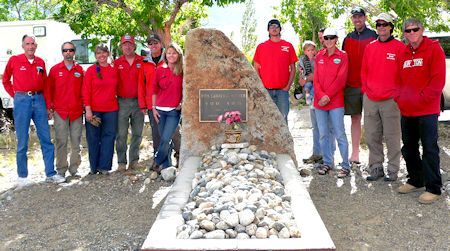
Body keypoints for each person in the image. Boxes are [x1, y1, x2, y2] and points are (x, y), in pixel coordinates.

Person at [2, 35, 66, 186]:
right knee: (23, 140)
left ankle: (50, 173)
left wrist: (48, 106)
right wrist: (16, 95)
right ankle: (22, 177)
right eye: (28, 44)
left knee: (46, 138)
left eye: (33, 44)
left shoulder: (40, 62)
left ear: (36, 46)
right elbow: (5, 80)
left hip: (39, 100)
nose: (31, 46)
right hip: (22, 101)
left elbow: (45, 86)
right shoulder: (15, 60)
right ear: (23, 46)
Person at [396, 18, 446, 204]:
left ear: (422, 30)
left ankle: (434, 188)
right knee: (409, 148)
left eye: (414, 29)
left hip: (426, 110)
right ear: (404, 33)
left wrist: (421, 99)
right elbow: (397, 80)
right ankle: (416, 180)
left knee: (429, 148)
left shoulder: (434, 48)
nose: (411, 33)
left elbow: (437, 80)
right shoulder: (403, 53)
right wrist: (399, 99)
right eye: (407, 31)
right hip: (407, 110)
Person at [361, 13, 406, 182]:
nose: (381, 27)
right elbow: (364, 71)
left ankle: (393, 170)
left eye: (384, 24)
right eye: (378, 25)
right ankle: (376, 168)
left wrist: (398, 95)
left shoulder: (400, 47)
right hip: (371, 99)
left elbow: (404, 74)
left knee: (392, 136)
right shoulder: (370, 47)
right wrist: (366, 90)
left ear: (390, 27)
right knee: (372, 136)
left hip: (391, 100)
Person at [138, 34, 181, 164]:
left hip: (172, 105)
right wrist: (143, 105)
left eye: (155, 42)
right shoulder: (145, 63)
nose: (153, 45)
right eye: (150, 43)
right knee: (157, 135)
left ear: (161, 44)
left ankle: (180, 155)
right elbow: (141, 85)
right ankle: (162, 163)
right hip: (154, 106)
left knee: (174, 133)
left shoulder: (170, 60)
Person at [313, 28, 350, 178]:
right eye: (326, 38)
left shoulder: (343, 56)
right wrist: (322, 96)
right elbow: (315, 79)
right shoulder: (319, 56)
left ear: (336, 39)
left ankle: (345, 166)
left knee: (340, 133)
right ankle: (327, 162)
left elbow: (341, 79)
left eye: (331, 38)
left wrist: (327, 96)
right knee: (323, 134)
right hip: (319, 102)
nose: (328, 41)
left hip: (335, 102)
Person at [342, 7, 377, 164]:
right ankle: (355, 154)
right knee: (355, 119)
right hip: (352, 85)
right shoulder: (347, 38)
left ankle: (373, 157)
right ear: (352, 19)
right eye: (355, 17)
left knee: (372, 121)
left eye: (360, 17)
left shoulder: (375, 36)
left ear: (365, 18)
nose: (357, 20)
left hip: (370, 86)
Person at [47, 42, 84, 179]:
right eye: (65, 50)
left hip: (76, 112)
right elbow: (49, 90)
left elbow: (84, 91)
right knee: (61, 141)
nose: (68, 52)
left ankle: (74, 168)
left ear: (74, 52)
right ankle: (61, 169)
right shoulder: (55, 70)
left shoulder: (80, 70)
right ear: (62, 52)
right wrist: (50, 108)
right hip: (60, 112)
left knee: (76, 142)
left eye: (70, 50)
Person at [82, 44, 119, 175]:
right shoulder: (91, 70)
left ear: (108, 53)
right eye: (98, 53)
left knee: (109, 138)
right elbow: (85, 91)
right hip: (95, 110)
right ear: (95, 55)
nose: (101, 55)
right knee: (93, 138)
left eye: (103, 53)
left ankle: (104, 167)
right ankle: (94, 167)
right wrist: (88, 109)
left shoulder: (114, 70)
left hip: (111, 109)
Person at [254, 19, 298, 123]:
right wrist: (261, 87)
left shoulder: (288, 46)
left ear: (280, 29)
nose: (274, 28)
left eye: (276, 26)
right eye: (271, 26)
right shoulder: (261, 47)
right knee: (266, 120)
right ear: (268, 30)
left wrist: (287, 87)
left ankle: (285, 140)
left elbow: (293, 69)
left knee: (283, 120)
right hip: (266, 91)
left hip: (282, 91)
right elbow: (256, 68)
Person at [151, 43, 183, 174]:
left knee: (166, 139)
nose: (171, 55)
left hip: (173, 111)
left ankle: (157, 161)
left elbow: (186, 89)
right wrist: (153, 108)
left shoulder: (182, 71)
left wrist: (181, 102)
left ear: (178, 55)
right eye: (169, 53)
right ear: (166, 55)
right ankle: (166, 166)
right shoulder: (160, 70)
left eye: (174, 53)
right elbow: (153, 89)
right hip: (159, 110)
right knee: (164, 140)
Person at [114, 34, 145, 171]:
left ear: (134, 46)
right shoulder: (116, 63)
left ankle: (134, 160)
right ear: (121, 47)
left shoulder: (143, 61)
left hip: (139, 102)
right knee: (121, 134)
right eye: (125, 44)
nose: (127, 46)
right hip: (122, 102)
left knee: (137, 133)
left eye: (130, 44)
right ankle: (121, 162)